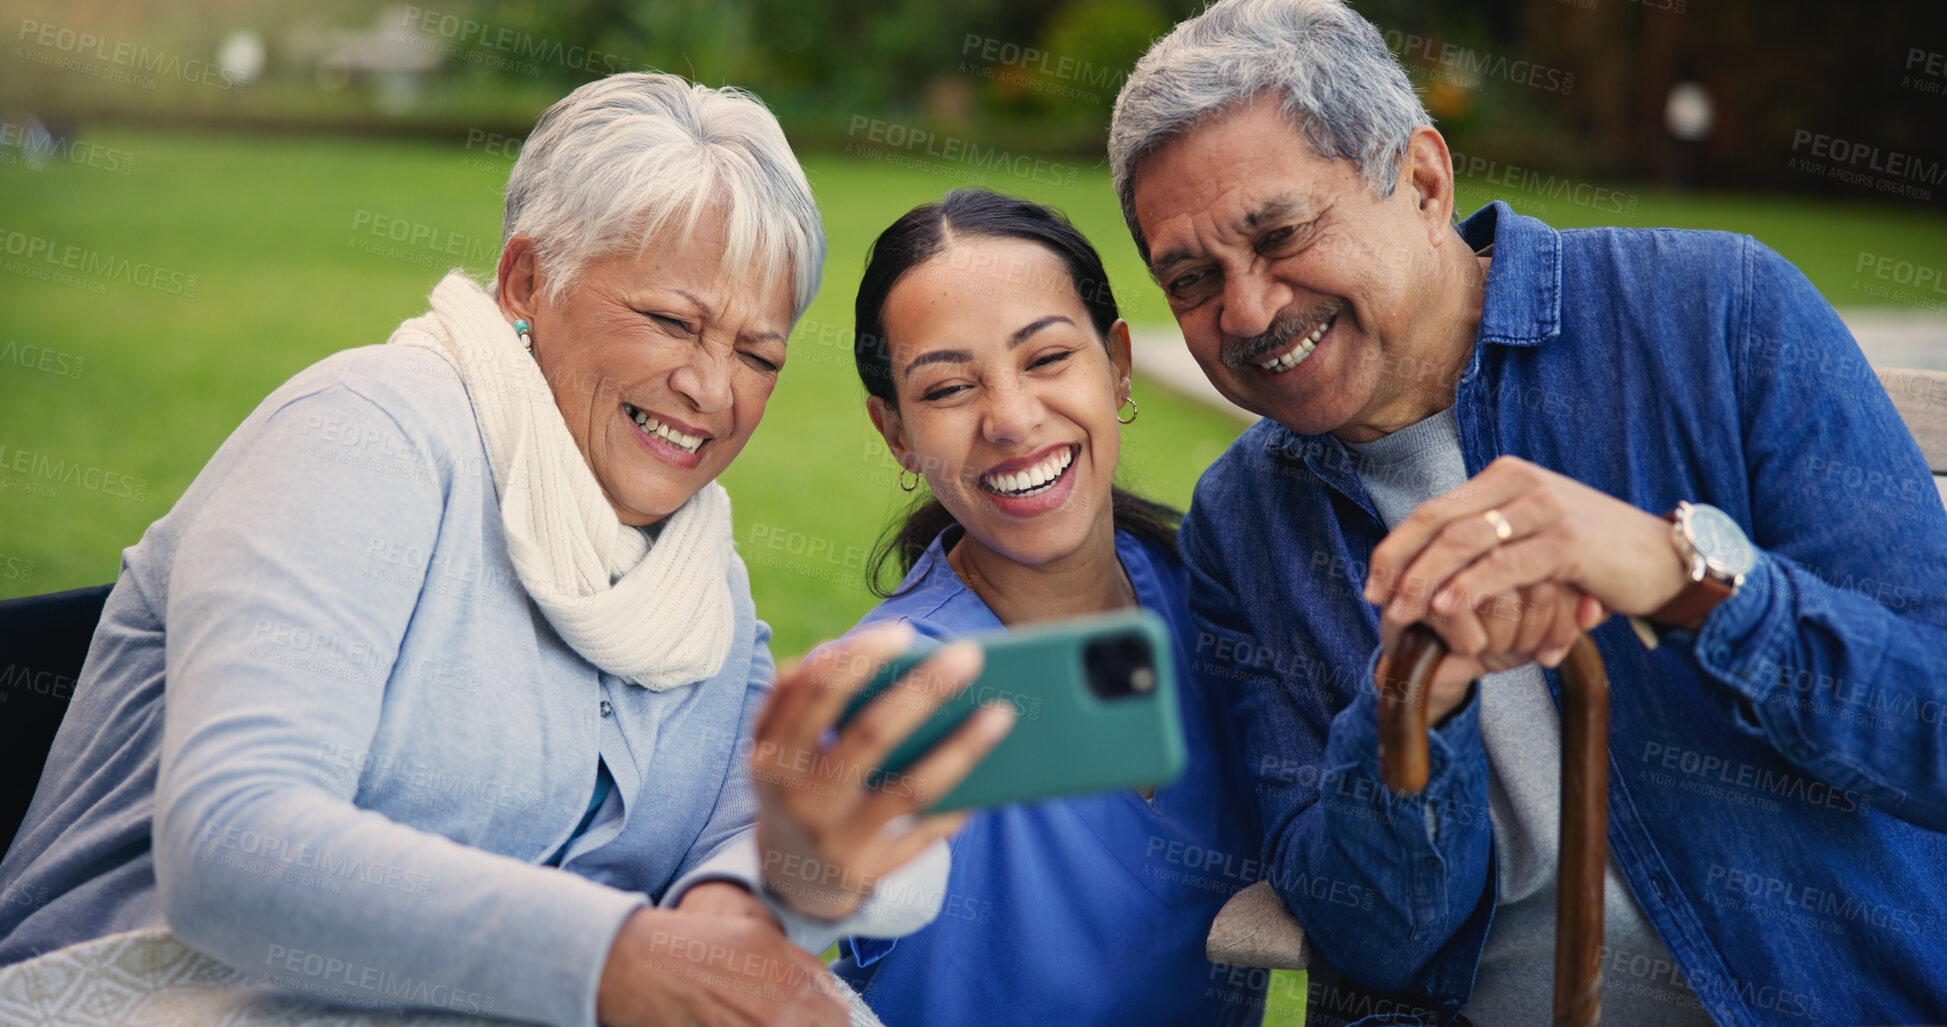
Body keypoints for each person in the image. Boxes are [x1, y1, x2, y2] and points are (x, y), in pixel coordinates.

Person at [0, 73, 1011, 1027]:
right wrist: (617, 956)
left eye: (758, 353)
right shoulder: (366, 432)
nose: (714, 391)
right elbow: (234, 844)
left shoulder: (702, 582)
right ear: (529, 279)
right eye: (671, 321)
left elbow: (744, 830)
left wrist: (728, 907)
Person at [1107, 0, 1947, 1023]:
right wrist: (1413, 706)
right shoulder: (1243, 522)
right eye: (1191, 280)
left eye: (1280, 234)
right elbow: (1370, 930)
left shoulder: (1718, 314)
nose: (1245, 312)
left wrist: (1688, 578)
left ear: (1421, 180)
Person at [827, 189, 1266, 1026]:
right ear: (895, 433)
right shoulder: (883, 687)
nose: (1013, 418)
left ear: (1118, 365)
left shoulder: (1219, 607)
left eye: (1046, 358)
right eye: (950, 386)